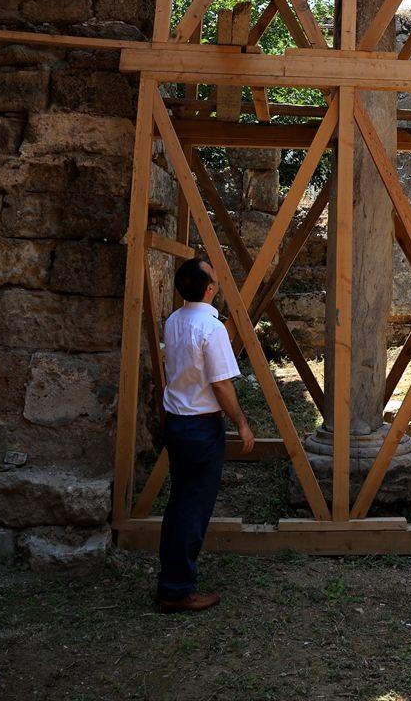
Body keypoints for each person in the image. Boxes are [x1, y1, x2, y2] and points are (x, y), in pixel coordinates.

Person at [156, 256, 255, 613]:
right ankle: (177, 589)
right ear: (210, 289)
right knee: (192, 509)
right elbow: (221, 384)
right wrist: (242, 422)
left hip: (176, 421)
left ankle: (173, 581)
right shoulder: (210, 329)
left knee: (180, 503)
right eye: (214, 276)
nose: (218, 278)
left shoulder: (174, 321)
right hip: (199, 426)